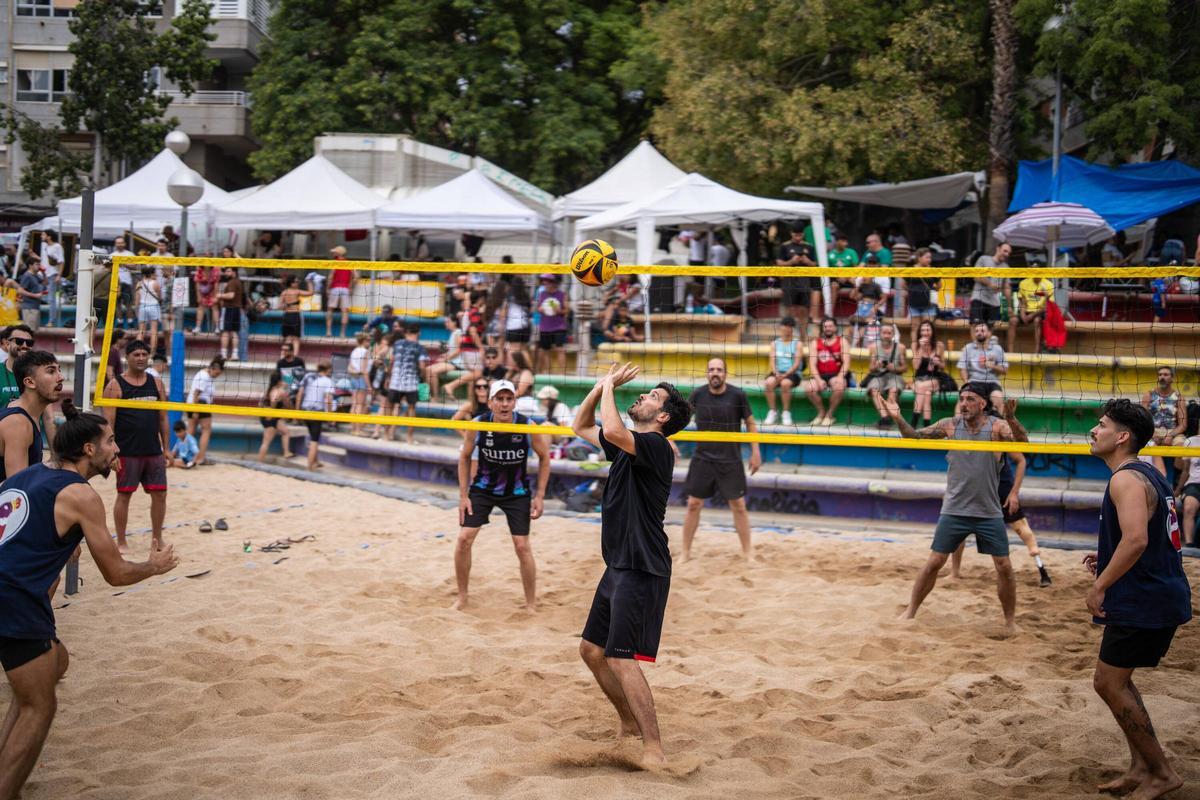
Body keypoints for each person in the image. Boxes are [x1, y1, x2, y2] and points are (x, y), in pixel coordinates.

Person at [0, 409, 179, 800]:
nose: (117, 449)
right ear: (88, 448)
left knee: (53, 665)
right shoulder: (81, 494)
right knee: (39, 706)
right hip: (11, 598)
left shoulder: (25, 478)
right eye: (111, 441)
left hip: (14, 595)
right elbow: (116, 574)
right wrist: (154, 565)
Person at [571, 363, 692, 767]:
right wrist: (598, 387)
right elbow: (579, 424)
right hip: (619, 564)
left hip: (643, 566)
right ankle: (629, 723)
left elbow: (614, 429)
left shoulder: (657, 447)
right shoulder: (626, 447)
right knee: (591, 651)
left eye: (653, 397)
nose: (643, 396)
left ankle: (654, 748)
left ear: (662, 417)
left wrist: (609, 387)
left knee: (622, 657)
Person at [1084, 399, 1191, 799]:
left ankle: (1161, 773)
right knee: (1119, 681)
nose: (1095, 430)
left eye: (1102, 424)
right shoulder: (1149, 471)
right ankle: (1140, 766)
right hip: (1159, 591)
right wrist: (1108, 557)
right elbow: (1147, 535)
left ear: (1122, 436)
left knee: (1107, 682)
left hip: (1146, 598)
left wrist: (1100, 585)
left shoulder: (1124, 479)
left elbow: (1136, 539)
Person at [883, 383, 1019, 635]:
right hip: (954, 509)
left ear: (983, 404)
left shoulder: (997, 427)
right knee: (934, 562)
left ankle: (1010, 622)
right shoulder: (950, 425)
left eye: (970, 399)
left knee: (1004, 566)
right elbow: (913, 436)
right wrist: (897, 417)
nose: (964, 403)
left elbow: (1023, 443)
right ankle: (911, 610)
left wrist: (1011, 418)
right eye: (962, 398)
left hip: (988, 510)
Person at [453, 379, 550, 612]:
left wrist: (540, 496)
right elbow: (464, 457)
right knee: (463, 539)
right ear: (491, 402)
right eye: (500, 399)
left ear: (515, 401)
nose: (505, 404)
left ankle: (530, 604)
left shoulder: (528, 426)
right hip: (483, 489)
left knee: (522, 546)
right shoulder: (477, 424)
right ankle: (462, 597)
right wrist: (463, 496)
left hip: (516, 492)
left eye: (509, 399)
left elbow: (545, 458)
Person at [949, 400, 1053, 587]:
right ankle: (954, 573)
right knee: (959, 532)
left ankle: (1042, 570)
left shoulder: (999, 434)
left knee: (1022, 530)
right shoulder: (968, 433)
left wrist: (1014, 493)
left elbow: (1021, 461)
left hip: (1002, 488)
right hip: (976, 490)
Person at [683, 358, 762, 561]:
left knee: (739, 505)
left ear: (725, 373)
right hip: (703, 458)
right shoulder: (698, 394)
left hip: (730, 459)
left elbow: (751, 423)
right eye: (711, 369)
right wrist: (669, 438)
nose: (715, 373)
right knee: (693, 504)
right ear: (707, 373)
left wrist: (756, 452)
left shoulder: (737, 395)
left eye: (719, 369)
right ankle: (685, 553)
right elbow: (680, 418)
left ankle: (747, 553)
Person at [102, 339, 169, 553]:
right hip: (127, 452)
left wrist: (166, 448)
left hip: (153, 451)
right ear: (127, 357)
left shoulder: (156, 383)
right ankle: (121, 541)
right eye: (136, 354)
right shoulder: (115, 385)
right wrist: (111, 453)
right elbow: (108, 425)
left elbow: (163, 419)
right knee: (124, 495)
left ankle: (157, 539)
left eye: (143, 354)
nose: (141, 358)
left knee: (160, 495)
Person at [0, 350, 59, 481]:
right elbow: (17, 490)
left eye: (59, 370)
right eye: (51, 371)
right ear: (30, 382)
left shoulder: (28, 416)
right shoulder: (17, 423)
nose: (60, 377)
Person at [385, 324, 428, 444]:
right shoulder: (420, 348)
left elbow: (390, 362)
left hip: (396, 380)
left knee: (390, 407)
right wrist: (422, 378)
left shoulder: (397, 344)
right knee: (411, 409)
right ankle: (410, 438)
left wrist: (388, 377)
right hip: (411, 381)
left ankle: (386, 435)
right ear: (418, 333)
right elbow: (422, 367)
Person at [775, 228, 818, 342]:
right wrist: (791, 262)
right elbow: (779, 263)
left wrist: (807, 261)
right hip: (789, 281)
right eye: (795, 235)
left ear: (803, 234)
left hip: (804, 282)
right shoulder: (785, 246)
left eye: (800, 235)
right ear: (791, 234)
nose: (798, 237)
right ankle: (786, 338)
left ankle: (803, 338)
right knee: (788, 310)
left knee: (803, 311)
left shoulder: (809, 247)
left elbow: (815, 264)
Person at [805, 316, 850, 426]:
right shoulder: (815, 343)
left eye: (830, 326)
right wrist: (818, 380)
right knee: (810, 388)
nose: (828, 328)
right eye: (825, 326)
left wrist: (840, 377)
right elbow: (812, 364)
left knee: (839, 387)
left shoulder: (842, 341)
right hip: (820, 374)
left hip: (836, 374)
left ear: (835, 328)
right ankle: (821, 413)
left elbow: (846, 362)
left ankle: (830, 415)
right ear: (822, 328)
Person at [864, 323, 906, 428]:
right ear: (880, 334)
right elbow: (871, 368)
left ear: (893, 334)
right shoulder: (874, 347)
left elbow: (905, 368)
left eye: (889, 333)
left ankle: (885, 420)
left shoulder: (900, 347)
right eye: (884, 333)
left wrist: (894, 368)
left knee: (893, 391)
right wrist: (877, 365)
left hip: (895, 376)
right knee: (874, 389)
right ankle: (885, 418)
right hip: (879, 375)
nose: (886, 335)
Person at [957, 320, 1007, 408]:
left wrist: (992, 365)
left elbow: (1005, 370)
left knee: (998, 398)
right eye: (976, 331)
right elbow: (962, 368)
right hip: (974, 382)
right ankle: (958, 421)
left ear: (989, 333)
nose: (979, 333)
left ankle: (999, 421)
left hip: (992, 383)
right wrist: (966, 382)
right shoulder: (968, 348)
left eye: (982, 331)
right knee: (962, 402)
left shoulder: (998, 349)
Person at [910, 319, 950, 428]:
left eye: (928, 330)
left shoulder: (939, 345)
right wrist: (921, 349)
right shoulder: (915, 345)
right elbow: (916, 366)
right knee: (926, 394)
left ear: (932, 331)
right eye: (922, 330)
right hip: (919, 378)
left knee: (922, 388)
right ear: (919, 332)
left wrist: (938, 362)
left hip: (934, 379)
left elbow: (943, 366)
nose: (925, 333)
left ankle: (913, 423)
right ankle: (927, 426)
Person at [762, 316, 801, 426]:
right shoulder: (775, 343)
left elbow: (797, 364)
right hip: (777, 372)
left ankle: (786, 412)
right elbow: (772, 361)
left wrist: (785, 375)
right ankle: (773, 411)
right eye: (785, 326)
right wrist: (776, 373)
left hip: (792, 373)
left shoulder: (798, 344)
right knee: (768, 382)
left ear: (793, 329)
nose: (787, 329)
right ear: (781, 327)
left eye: (790, 326)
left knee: (785, 383)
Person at [186, 356, 225, 466]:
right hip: (199, 404)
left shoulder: (205, 374)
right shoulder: (205, 376)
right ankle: (200, 458)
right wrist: (195, 411)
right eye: (218, 373)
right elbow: (196, 393)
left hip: (193, 404)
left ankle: (187, 456)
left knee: (191, 430)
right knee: (206, 430)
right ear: (214, 369)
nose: (217, 375)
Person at [296, 360, 334, 471]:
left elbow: (300, 393)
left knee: (313, 436)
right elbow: (328, 399)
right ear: (327, 370)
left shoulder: (308, 376)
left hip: (305, 410)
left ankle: (316, 461)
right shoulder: (328, 381)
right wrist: (331, 416)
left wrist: (296, 411)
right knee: (314, 440)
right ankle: (309, 467)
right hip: (316, 413)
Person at [1140, 366, 1186, 449]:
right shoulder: (1148, 395)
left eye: (1165, 375)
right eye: (1160, 375)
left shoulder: (1179, 397)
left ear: (1172, 378)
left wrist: (1170, 436)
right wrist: (1152, 434)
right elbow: (1142, 420)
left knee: (1181, 445)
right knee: (1146, 444)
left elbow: (1183, 425)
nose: (1162, 377)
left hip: (1172, 431)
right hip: (1152, 430)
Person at [906, 248, 941, 351]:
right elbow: (904, 284)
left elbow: (939, 285)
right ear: (919, 258)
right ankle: (914, 350)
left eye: (930, 257)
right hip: (914, 304)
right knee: (915, 328)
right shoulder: (911, 270)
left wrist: (931, 290)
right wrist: (913, 291)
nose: (929, 259)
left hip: (928, 305)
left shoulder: (933, 270)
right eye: (927, 257)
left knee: (928, 328)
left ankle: (929, 350)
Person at [534, 275, 569, 374]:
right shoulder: (541, 294)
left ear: (553, 282)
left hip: (559, 326)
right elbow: (538, 308)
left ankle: (563, 374)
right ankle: (548, 373)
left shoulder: (562, 294)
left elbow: (566, 311)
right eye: (543, 282)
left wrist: (559, 311)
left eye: (547, 281)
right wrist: (540, 309)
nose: (544, 283)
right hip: (545, 327)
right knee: (545, 350)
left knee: (560, 349)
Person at [971, 242, 1012, 326]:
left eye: (1008, 253)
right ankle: (975, 340)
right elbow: (975, 275)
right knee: (975, 325)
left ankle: (987, 340)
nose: (1007, 254)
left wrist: (1009, 306)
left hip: (994, 302)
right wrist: (990, 284)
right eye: (1005, 251)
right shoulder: (983, 259)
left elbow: (1006, 287)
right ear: (998, 248)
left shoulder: (1006, 267)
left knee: (990, 329)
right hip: (979, 298)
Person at [257, 371, 293, 462]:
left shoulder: (270, 389)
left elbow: (260, 403)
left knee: (286, 431)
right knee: (266, 442)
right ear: (279, 381)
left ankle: (286, 452)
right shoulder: (279, 391)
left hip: (269, 416)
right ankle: (259, 462)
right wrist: (275, 403)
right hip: (271, 418)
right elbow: (279, 402)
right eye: (282, 379)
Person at [1013, 273, 1053, 353]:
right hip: (1026, 311)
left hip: (1039, 312)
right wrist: (1022, 314)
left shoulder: (1048, 284)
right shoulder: (1024, 283)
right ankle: (1011, 351)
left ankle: (1037, 350)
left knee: (1037, 320)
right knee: (1012, 321)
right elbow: (1022, 302)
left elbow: (1048, 306)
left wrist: (1032, 315)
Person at [1173, 433, 1200, 548]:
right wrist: (1178, 490)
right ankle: (1189, 544)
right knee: (1189, 507)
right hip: (1193, 483)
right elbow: (1185, 470)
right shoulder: (1190, 441)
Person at [278, 275, 313, 358]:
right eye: (296, 282)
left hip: (286, 316)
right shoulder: (297, 291)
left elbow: (279, 307)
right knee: (296, 339)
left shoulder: (284, 292)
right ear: (292, 284)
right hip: (295, 316)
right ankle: (295, 357)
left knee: (288, 339)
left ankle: (282, 357)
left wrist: (287, 305)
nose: (298, 283)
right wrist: (309, 282)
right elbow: (311, 293)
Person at [216, 266, 245, 361]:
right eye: (226, 271)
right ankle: (235, 354)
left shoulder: (232, 282)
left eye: (228, 271)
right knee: (234, 332)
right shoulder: (238, 282)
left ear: (234, 272)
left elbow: (231, 295)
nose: (226, 273)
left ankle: (223, 355)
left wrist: (219, 295)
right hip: (236, 309)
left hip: (229, 309)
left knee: (225, 332)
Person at [326, 245, 354, 338]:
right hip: (345, 289)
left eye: (334, 252)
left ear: (338, 253)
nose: (333, 253)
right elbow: (355, 276)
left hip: (335, 288)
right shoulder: (349, 263)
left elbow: (331, 276)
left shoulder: (335, 263)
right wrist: (350, 286)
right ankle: (342, 333)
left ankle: (329, 332)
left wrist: (327, 288)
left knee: (330, 309)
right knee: (344, 311)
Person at [348, 332, 371, 436]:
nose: (370, 342)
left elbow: (350, 367)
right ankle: (358, 430)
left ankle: (353, 429)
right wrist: (369, 385)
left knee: (354, 404)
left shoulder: (354, 351)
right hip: (361, 378)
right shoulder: (365, 352)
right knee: (359, 406)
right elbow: (364, 370)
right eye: (369, 340)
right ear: (364, 341)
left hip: (353, 377)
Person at [134, 267, 162, 355]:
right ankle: (152, 352)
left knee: (141, 331)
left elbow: (137, 298)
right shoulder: (155, 283)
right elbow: (160, 296)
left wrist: (136, 309)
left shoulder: (139, 283)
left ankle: (137, 350)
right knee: (154, 331)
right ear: (151, 273)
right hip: (154, 306)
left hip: (143, 306)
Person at [111, 235, 135, 327]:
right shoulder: (112, 255)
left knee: (128, 303)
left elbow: (134, 266)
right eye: (118, 243)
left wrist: (123, 264)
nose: (119, 244)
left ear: (124, 244)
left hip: (127, 282)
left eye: (121, 242)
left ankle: (130, 321)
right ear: (115, 244)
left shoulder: (130, 254)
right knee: (117, 304)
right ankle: (120, 321)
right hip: (115, 282)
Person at [192, 263, 220, 334]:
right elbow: (197, 284)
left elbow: (216, 284)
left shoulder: (215, 270)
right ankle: (198, 327)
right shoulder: (199, 270)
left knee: (215, 307)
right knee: (200, 307)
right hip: (202, 293)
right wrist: (198, 296)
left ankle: (217, 328)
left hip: (212, 292)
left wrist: (215, 296)